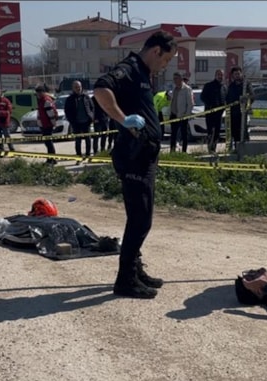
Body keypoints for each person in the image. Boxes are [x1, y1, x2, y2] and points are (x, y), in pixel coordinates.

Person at [93, 30, 177, 299]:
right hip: (133, 156)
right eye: (166, 60)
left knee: (141, 218)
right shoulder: (129, 68)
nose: (165, 65)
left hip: (144, 156)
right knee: (140, 220)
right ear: (156, 51)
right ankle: (125, 279)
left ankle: (134, 269)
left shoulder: (142, 73)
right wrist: (123, 119)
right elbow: (101, 90)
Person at [225, 66, 253, 148]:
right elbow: (228, 97)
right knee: (234, 131)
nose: (237, 75)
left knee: (243, 130)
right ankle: (236, 148)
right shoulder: (231, 85)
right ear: (233, 75)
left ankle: (245, 148)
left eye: (238, 73)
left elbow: (252, 96)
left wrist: (246, 101)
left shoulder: (246, 84)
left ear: (241, 74)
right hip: (233, 112)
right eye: (235, 74)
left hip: (243, 112)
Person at [64, 80, 94, 157]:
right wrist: (71, 121)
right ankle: (79, 155)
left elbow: (92, 107)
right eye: (76, 87)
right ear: (73, 88)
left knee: (88, 139)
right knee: (78, 140)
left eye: (79, 87)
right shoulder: (70, 99)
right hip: (76, 123)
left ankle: (88, 154)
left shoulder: (86, 97)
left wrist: (91, 117)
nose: (78, 88)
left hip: (86, 122)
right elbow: (67, 111)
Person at [200, 68, 227, 152]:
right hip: (210, 113)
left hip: (219, 114)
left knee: (217, 132)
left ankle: (213, 149)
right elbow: (203, 97)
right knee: (210, 132)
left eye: (221, 75)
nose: (220, 76)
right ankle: (210, 148)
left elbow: (226, 99)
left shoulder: (224, 87)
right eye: (219, 75)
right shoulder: (209, 85)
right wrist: (209, 105)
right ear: (215, 75)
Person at [169, 72, 193, 153]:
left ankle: (184, 152)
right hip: (173, 114)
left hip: (182, 115)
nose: (174, 80)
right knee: (173, 134)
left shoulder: (187, 89)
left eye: (176, 78)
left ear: (180, 79)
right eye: (174, 79)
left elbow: (190, 104)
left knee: (184, 134)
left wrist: (186, 115)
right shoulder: (174, 89)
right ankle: (172, 152)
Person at [35, 84, 58, 165]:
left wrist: (53, 124)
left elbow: (51, 114)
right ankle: (51, 159)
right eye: (37, 92)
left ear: (43, 92)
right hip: (44, 125)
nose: (38, 94)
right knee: (47, 143)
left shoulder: (46, 100)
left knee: (49, 143)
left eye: (39, 92)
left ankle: (52, 160)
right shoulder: (41, 100)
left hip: (47, 125)